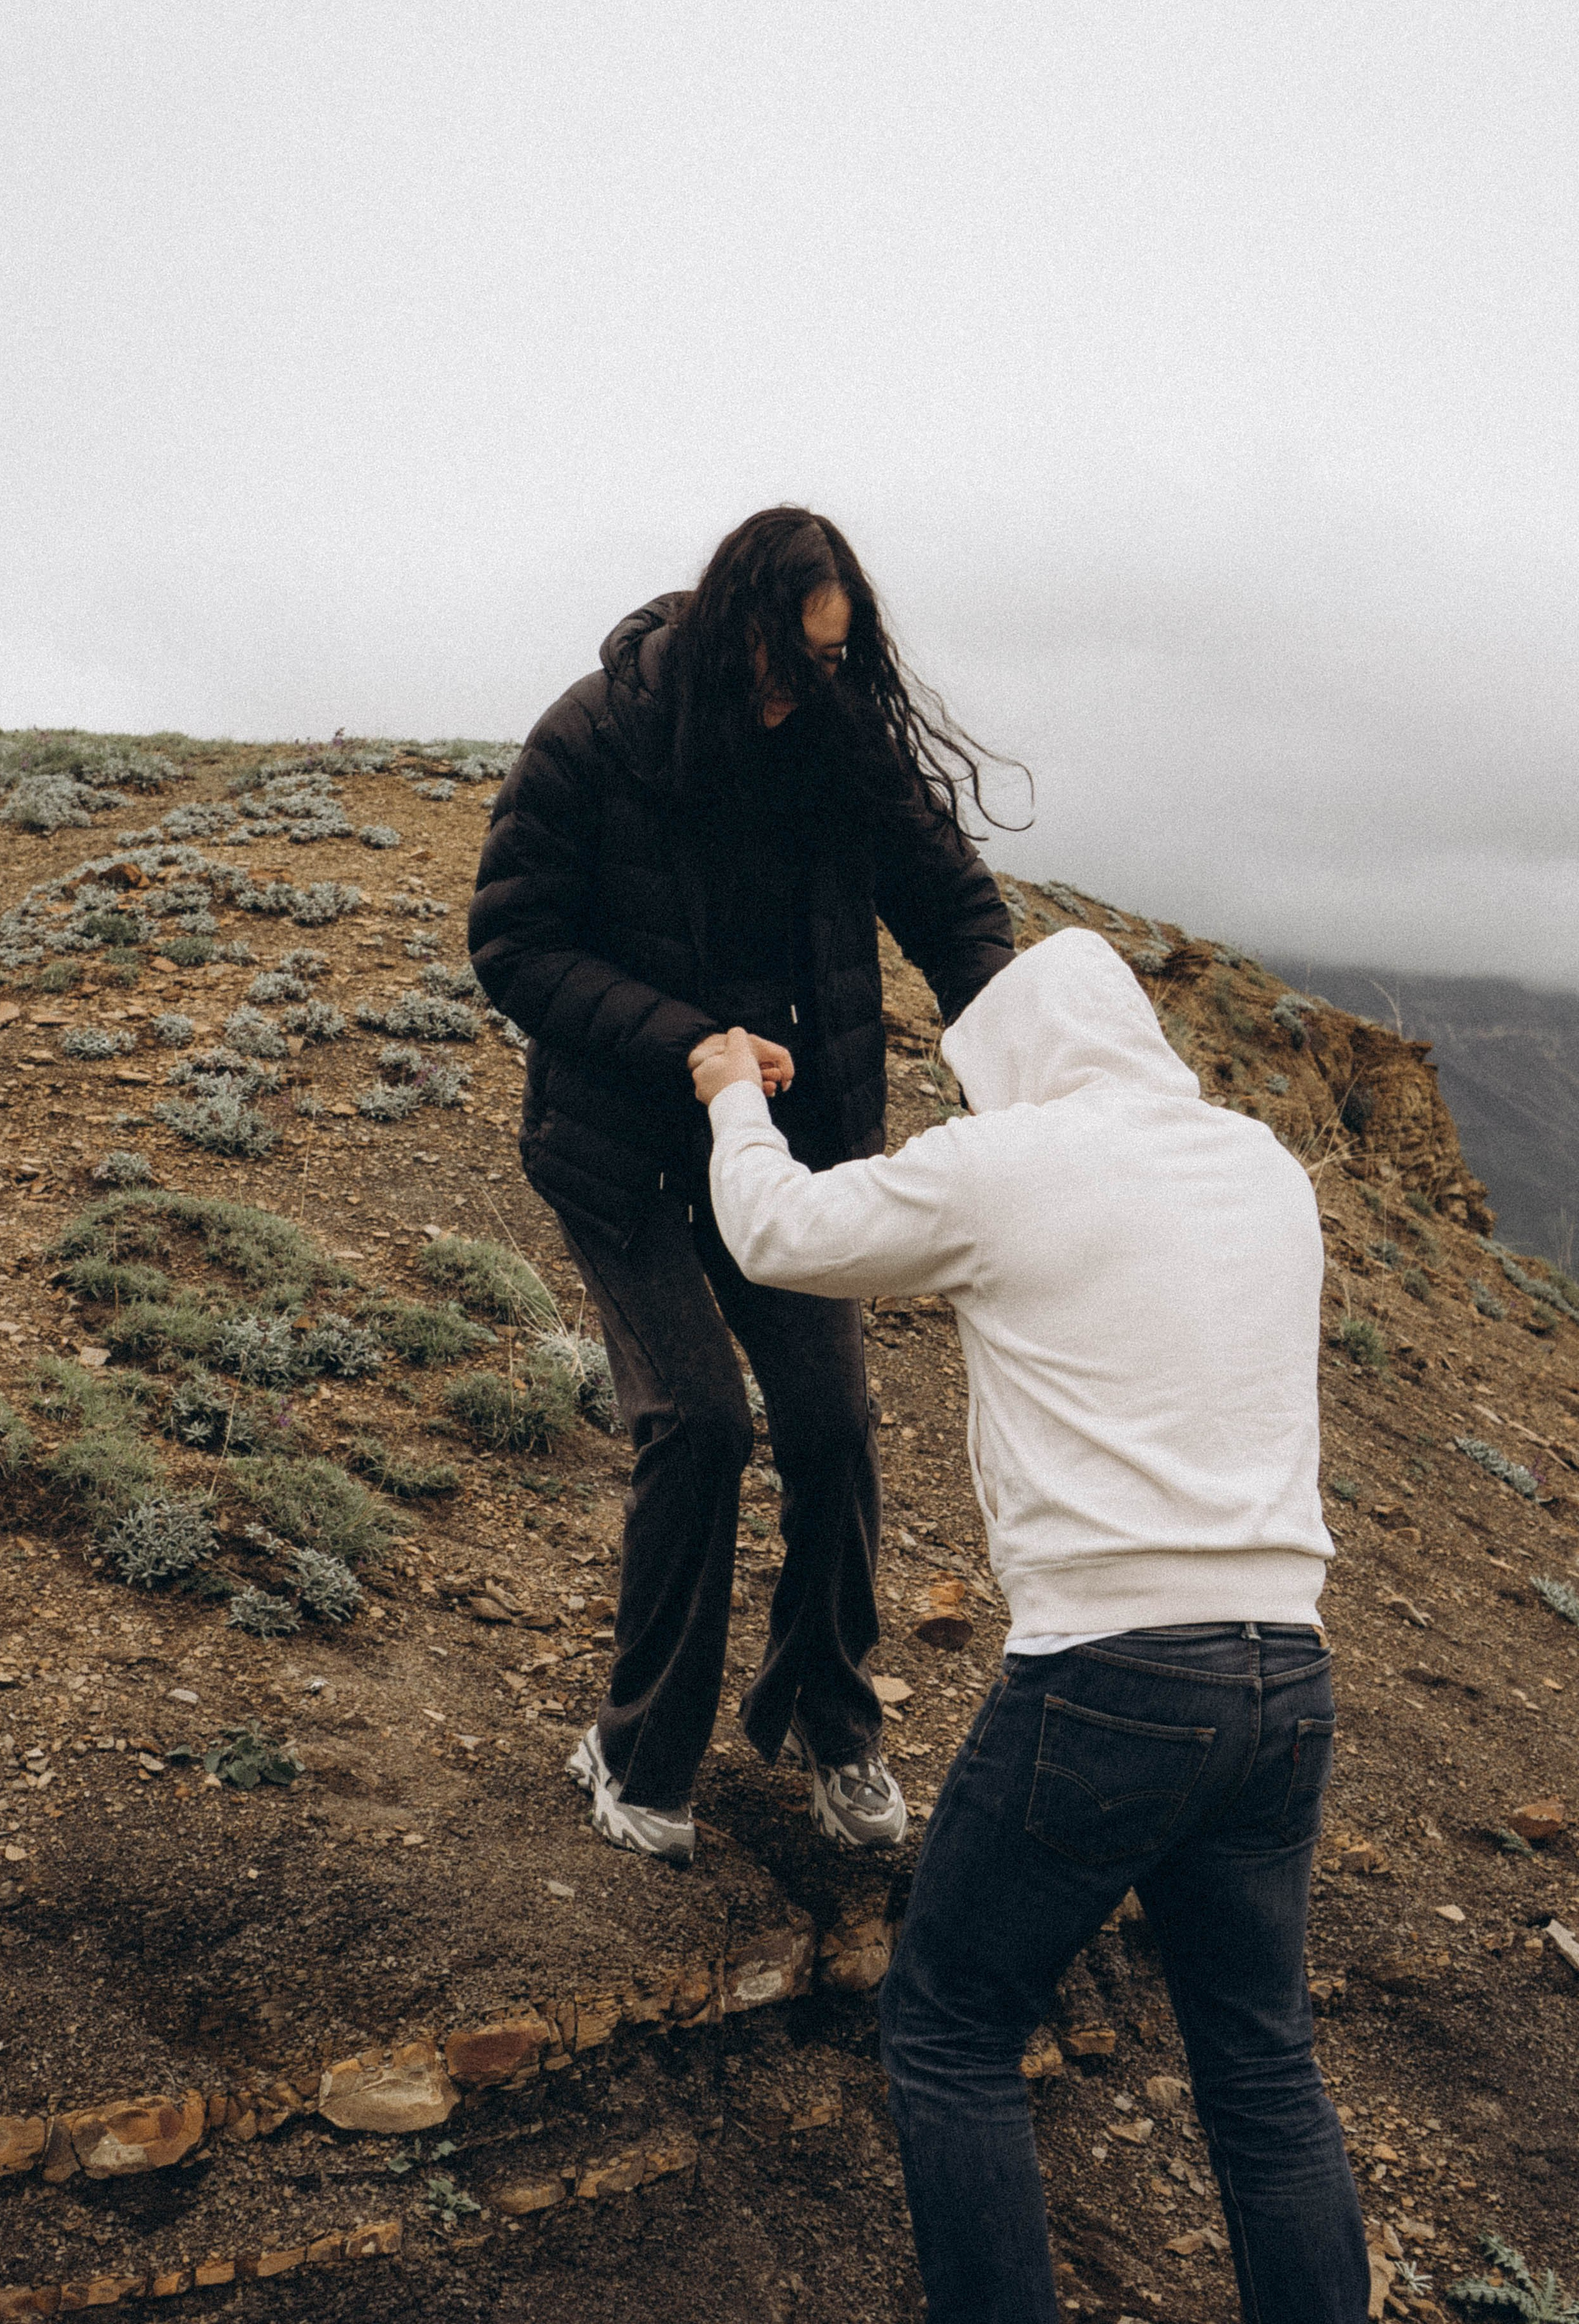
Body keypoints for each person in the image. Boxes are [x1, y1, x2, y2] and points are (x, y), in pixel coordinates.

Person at [693, 930, 1369, 2324]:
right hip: (1285, 1673)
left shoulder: (1012, 1164)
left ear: (1012, 1063)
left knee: (947, 2029)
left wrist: (728, 1094)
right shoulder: (1260, 1167)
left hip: (1112, 1674)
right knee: (1259, 2064)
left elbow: (777, 1234)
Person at [468, 506, 1016, 1866]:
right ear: (730, 628)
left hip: (794, 1152)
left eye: (831, 664)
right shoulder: (592, 736)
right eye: (786, 659)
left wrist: (1024, 1057)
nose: (800, 690)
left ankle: (833, 1725)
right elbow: (513, 941)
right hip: (625, 1151)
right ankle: (633, 1748)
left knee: (830, 1424)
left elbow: (953, 910)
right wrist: (685, 1045)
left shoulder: (838, 743)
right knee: (700, 1423)